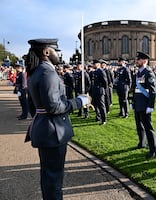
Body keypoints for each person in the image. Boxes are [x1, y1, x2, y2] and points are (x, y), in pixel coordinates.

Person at [25, 38, 89, 200]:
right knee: (54, 180)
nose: (59, 54)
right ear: (46, 52)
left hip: (45, 128)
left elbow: (33, 106)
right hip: (54, 132)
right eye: (56, 50)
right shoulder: (48, 72)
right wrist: (80, 101)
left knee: (48, 176)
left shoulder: (37, 71)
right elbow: (55, 107)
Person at [132, 51, 156, 159]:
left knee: (148, 128)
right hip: (138, 103)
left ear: (145, 61)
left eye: (139, 59)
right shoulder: (138, 73)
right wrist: (133, 102)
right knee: (139, 125)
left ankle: (153, 149)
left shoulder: (148, 73)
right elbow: (135, 89)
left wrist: (151, 106)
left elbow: (153, 91)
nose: (136, 61)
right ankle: (142, 142)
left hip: (145, 105)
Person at [91, 59, 107, 125]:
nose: (93, 65)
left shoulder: (101, 71)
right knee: (96, 105)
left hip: (100, 91)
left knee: (101, 105)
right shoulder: (95, 72)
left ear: (97, 64)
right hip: (95, 91)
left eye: (94, 64)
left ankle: (104, 119)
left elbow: (105, 82)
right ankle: (98, 117)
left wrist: (102, 89)